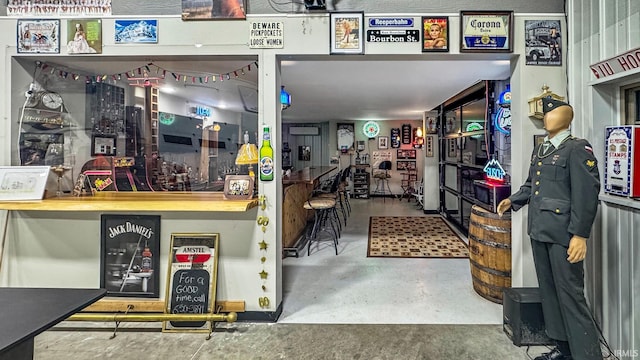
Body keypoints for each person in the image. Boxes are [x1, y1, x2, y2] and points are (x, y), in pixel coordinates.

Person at [497, 98, 602, 360]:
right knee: (550, 294)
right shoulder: (541, 150)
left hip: (564, 234)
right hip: (540, 230)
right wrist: (513, 200)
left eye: (552, 113)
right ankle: (563, 350)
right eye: (546, 114)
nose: (547, 117)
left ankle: (587, 356)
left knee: (570, 296)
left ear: (567, 117)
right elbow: (532, 185)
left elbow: (587, 194)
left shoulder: (577, 148)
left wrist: (580, 234)